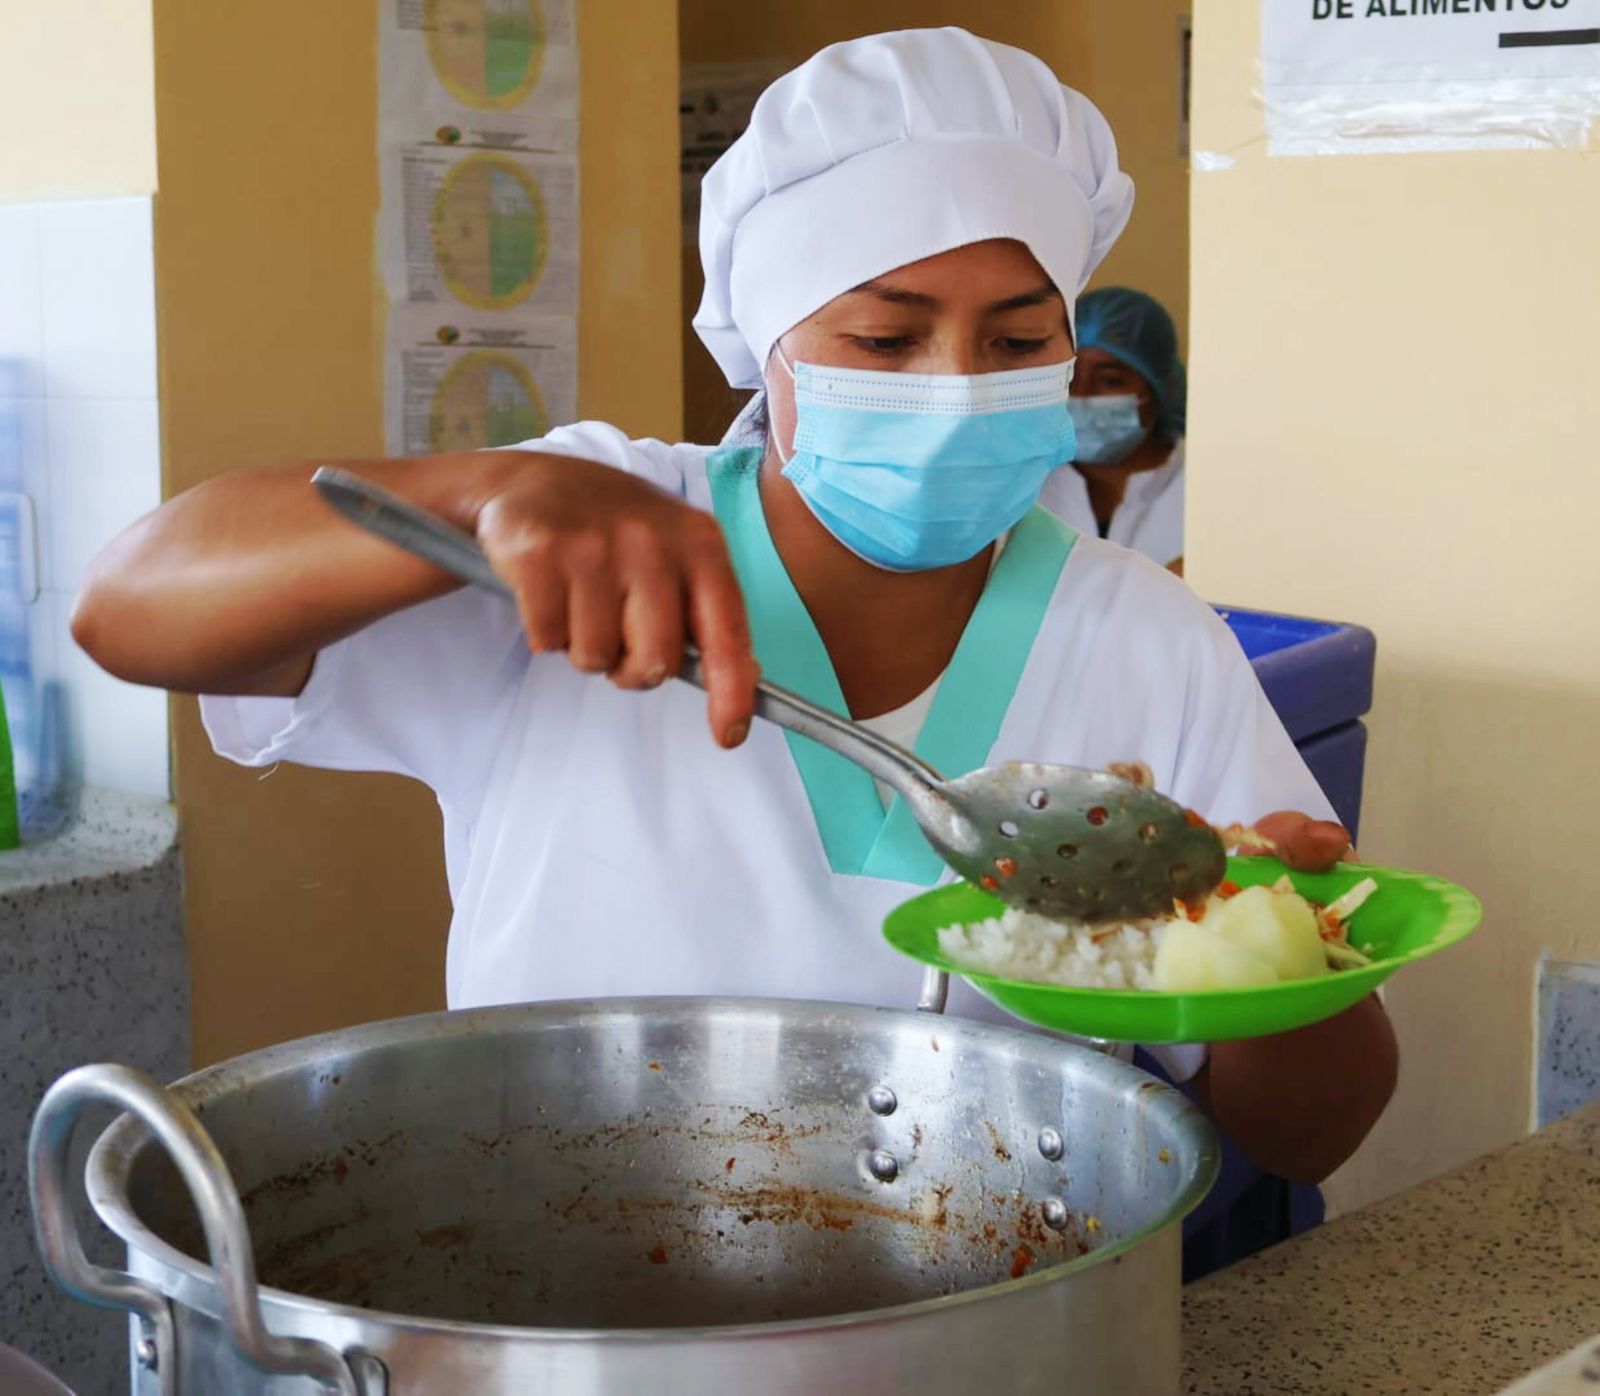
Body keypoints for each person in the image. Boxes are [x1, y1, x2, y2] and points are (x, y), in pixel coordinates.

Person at [72, 29, 1395, 1276]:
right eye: (885, 337)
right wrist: (481, 495)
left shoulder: (1145, 637)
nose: (953, 386)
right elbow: (129, 608)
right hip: (571, 1298)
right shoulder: (586, 535)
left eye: (1016, 341)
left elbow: (1313, 1132)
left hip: (996, 1316)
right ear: (774, 353)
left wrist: (1275, 950)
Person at [1040, 286, 1187, 573]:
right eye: (1068, 378)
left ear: (1159, 388)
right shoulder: (1027, 484)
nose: (1081, 395)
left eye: (1109, 381)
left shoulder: (1201, 490)